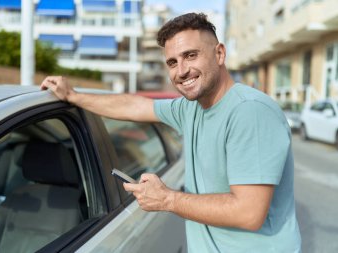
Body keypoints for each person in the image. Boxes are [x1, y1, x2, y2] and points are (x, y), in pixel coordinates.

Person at [41, 12, 301, 253]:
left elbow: (249, 213)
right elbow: (136, 105)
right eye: (172, 62)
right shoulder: (191, 109)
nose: (181, 71)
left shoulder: (249, 112)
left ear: (219, 54)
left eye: (191, 55)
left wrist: (167, 199)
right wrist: (73, 96)